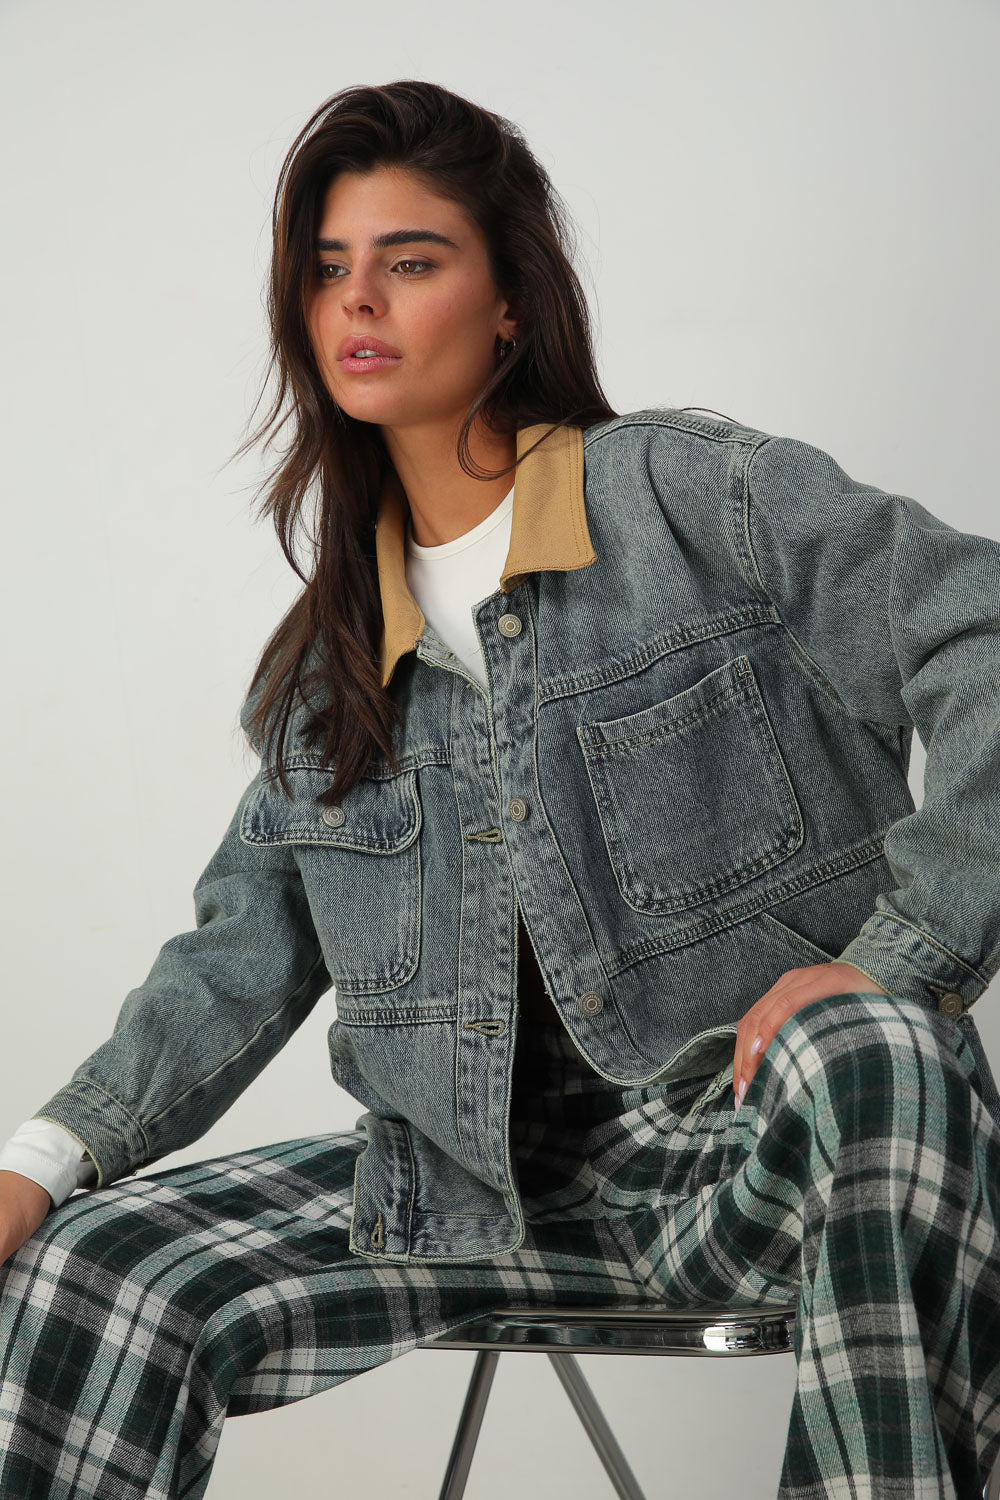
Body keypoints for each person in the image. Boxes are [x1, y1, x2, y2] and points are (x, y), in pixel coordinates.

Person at [2, 77, 1000, 1500]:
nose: (361, 302)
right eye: (329, 270)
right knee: (86, 1271)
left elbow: (981, 633)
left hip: (745, 1162)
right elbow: (230, 963)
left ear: (511, 303)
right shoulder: (327, 673)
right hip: (466, 1196)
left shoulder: (690, 499)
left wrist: (898, 958)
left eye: (410, 263)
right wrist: (42, 1161)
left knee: (880, 1046)